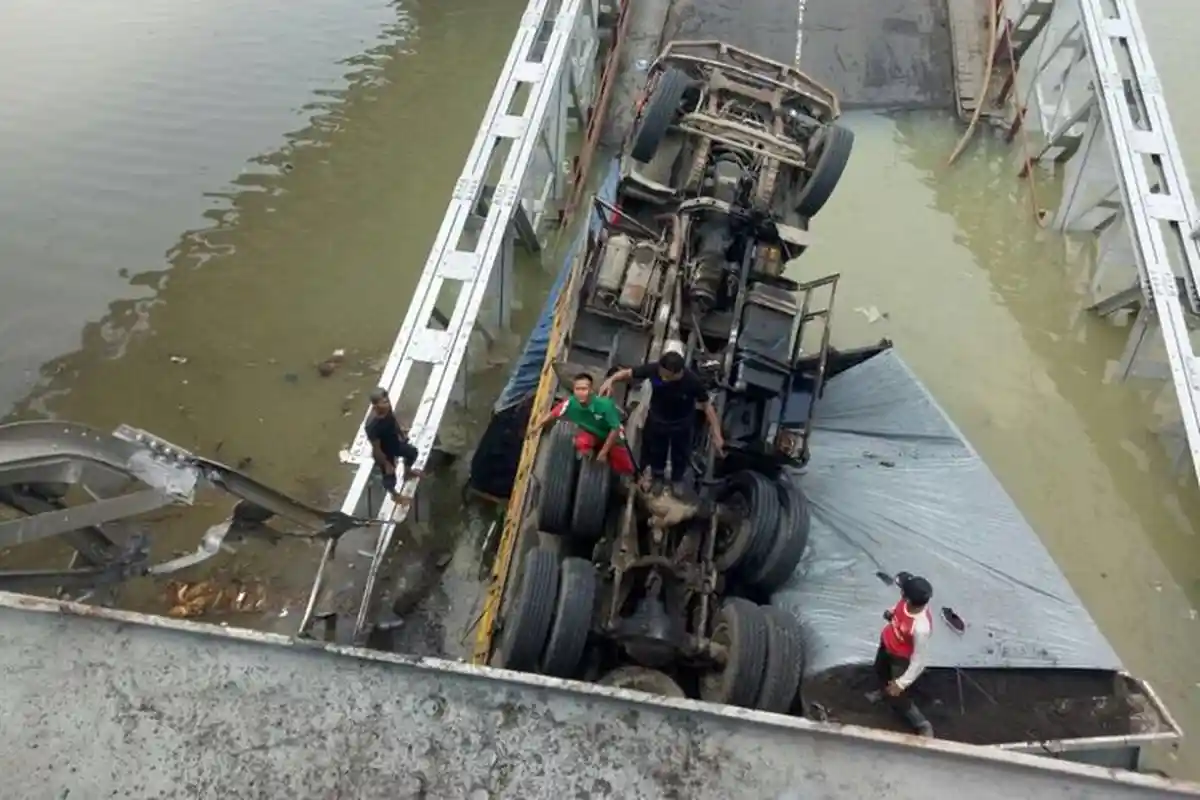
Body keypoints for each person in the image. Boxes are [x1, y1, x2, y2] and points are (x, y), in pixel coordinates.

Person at [599, 349, 725, 493]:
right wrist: (610, 381)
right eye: (662, 375)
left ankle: (677, 479)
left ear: (679, 373)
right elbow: (628, 373)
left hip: (681, 425)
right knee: (656, 451)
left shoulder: (692, 381)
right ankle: (656, 476)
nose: (664, 379)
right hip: (657, 420)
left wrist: (716, 433)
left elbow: (707, 406)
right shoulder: (654, 370)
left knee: (680, 454)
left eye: (668, 376)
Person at [869, 572, 935, 737]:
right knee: (880, 670)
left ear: (908, 598)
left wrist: (901, 683)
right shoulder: (906, 603)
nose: (900, 593)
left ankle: (921, 723)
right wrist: (891, 613)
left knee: (899, 695)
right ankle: (884, 691)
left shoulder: (921, 628)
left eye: (902, 592)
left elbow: (919, 661)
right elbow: (898, 608)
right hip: (887, 643)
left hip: (900, 658)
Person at [536, 372, 635, 476]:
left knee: (624, 464)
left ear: (591, 390)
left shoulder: (605, 405)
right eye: (577, 389)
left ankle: (629, 476)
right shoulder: (570, 403)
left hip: (612, 436)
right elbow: (553, 413)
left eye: (584, 389)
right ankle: (591, 458)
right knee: (581, 443)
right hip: (593, 434)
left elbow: (615, 429)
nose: (581, 393)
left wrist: (604, 451)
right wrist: (537, 426)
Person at [364, 387, 422, 506]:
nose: (388, 404)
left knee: (412, 452)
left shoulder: (387, 409)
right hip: (383, 452)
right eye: (384, 402)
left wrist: (401, 434)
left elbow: (393, 421)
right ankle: (394, 495)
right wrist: (386, 464)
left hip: (394, 442)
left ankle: (407, 472)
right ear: (375, 406)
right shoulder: (372, 425)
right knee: (389, 477)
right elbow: (376, 449)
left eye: (387, 401)